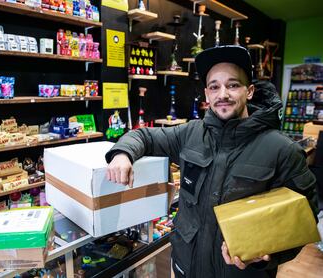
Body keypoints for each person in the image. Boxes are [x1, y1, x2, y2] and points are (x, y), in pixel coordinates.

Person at [105, 45, 317, 278]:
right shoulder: (189, 134)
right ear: (206, 95)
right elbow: (142, 135)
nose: (223, 94)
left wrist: (268, 254)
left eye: (233, 85)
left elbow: (303, 215)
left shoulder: (282, 150)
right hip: (186, 266)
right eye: (214, 87)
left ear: (250, 91)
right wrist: (122, 154)